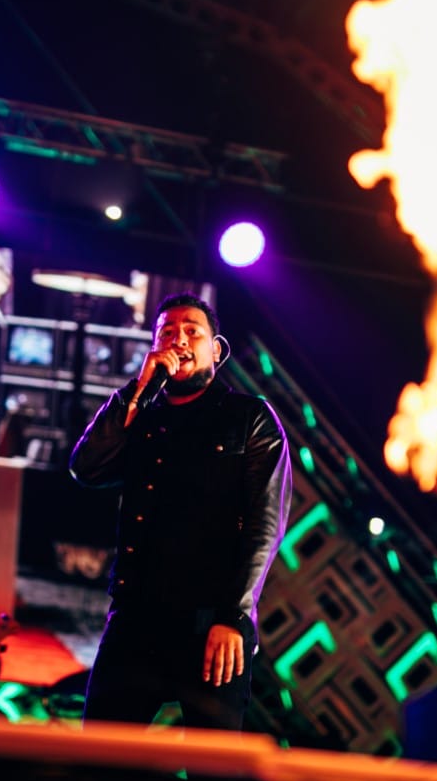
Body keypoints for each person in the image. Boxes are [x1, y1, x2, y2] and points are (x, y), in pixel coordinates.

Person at [68, 292, 291, 731]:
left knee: (211, 765)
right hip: (136, 619)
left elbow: (265, 525)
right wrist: (136, 391)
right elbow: (86, 467)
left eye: (192, 331)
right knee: (100, 752)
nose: (179, 340)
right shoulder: (142, 417)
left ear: (217, 350)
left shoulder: (250, 418)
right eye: (166, 333)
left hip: (212, 622)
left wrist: (234, 615)